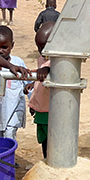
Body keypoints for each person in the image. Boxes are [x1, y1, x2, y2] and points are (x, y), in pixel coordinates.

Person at [0, 25, 31, 140]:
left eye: (4, 47)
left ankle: (9, 158)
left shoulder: (18, 62)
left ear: (12, 45)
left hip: (15, 108)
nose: (0, 51)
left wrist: (32, 102)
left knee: (9, 134)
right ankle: (0, 158)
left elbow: (28, 84)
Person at [26, 21, 54, 158]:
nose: (41, 51)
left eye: (44, 47)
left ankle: (52, 163)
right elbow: (39, 85)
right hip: (40, 108)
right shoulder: (41, 59)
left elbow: (54, 69)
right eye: (38, 47)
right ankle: (45, 161)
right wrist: (33, 104)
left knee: (52, 140)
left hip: (51, 110)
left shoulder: (57, 61)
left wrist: (47, 69)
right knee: (43, 139)